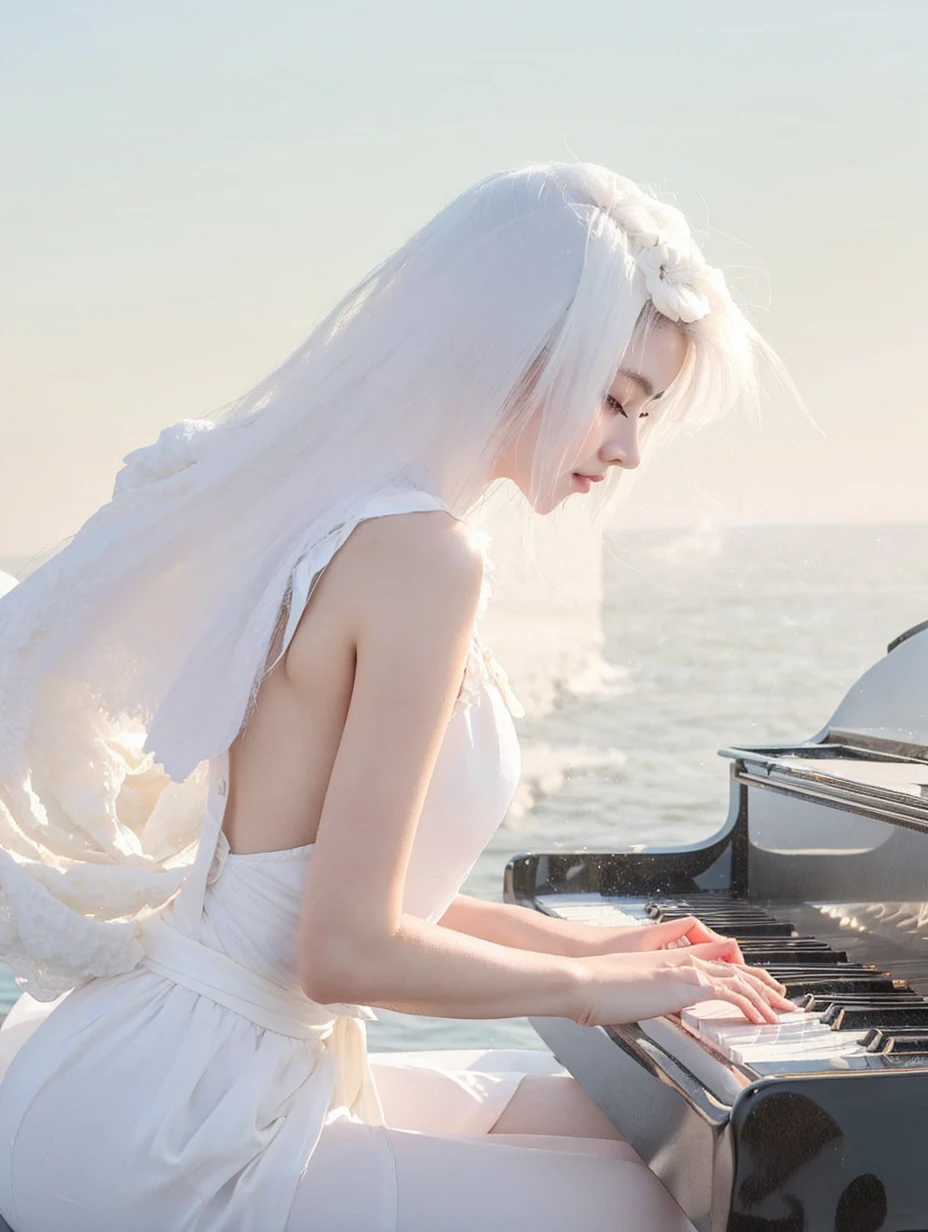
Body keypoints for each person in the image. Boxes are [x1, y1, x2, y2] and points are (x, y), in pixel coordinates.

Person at [0, 161, 801, 1231]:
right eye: (613, 398)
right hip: (181, 1121)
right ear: (518, 355)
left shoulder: (367, 524)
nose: (626, 447)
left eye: (643, 410)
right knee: (668, 1203)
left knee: (666, 1143)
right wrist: (588, 991)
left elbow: (319, 901)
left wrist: (591, 946)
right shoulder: (422, 558)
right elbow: (346, 950)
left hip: (176, 1061)